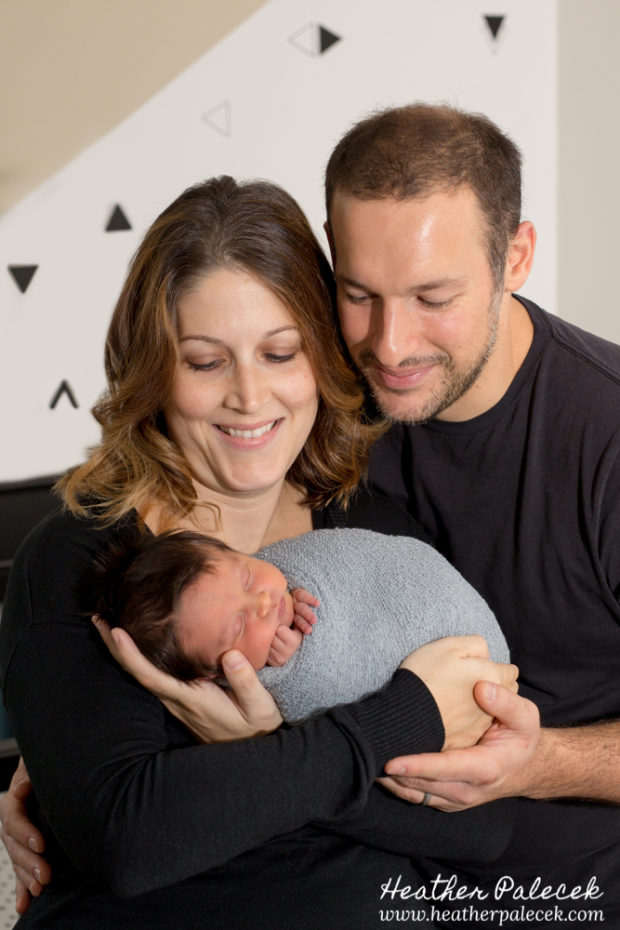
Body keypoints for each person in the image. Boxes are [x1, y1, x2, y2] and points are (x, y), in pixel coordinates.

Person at [0, 175, 518, 928]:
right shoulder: (84, 555)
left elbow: (481, 827)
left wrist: (260, 757)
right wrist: (386, 728)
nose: (250, 396)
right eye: (207, 361)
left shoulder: (373, 540)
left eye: (281, 353)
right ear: (155, 370)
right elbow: (132, 840)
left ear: (323, 357)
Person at [323, 102, 620, 923]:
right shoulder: (314, 397)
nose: (389, 343)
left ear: (515, 257)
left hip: (563, 893)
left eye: (432, 296)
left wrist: (540, 764)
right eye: (360, 294)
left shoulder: (606, 438)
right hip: (361, 862)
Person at [91, 526, 510, 723]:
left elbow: (354, 584)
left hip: (441, 618)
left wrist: (301, 594)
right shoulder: (237, 677)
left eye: (247, 577)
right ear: (212, 673)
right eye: (237, 628)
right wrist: (287, 670)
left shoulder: (284, 571)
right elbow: (318, 686)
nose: (262, 601)